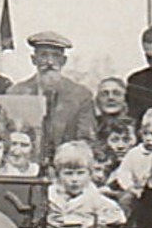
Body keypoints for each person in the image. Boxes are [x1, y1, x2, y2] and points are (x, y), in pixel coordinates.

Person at [11, 30, 96, 159]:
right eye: (44, 55)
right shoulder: (16, 94)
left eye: (55, 56)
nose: (50, 62)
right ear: (33, 59)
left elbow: (86, 140)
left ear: (64, 61)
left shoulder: (80, 96)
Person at [47, 141, 126, 228]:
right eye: (68, 173)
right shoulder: (51, 195)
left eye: (80, 173)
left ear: (89, 174)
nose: (74, 179)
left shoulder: (93, 197)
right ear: (58, 174)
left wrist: (95, 221)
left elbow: (119, 216)